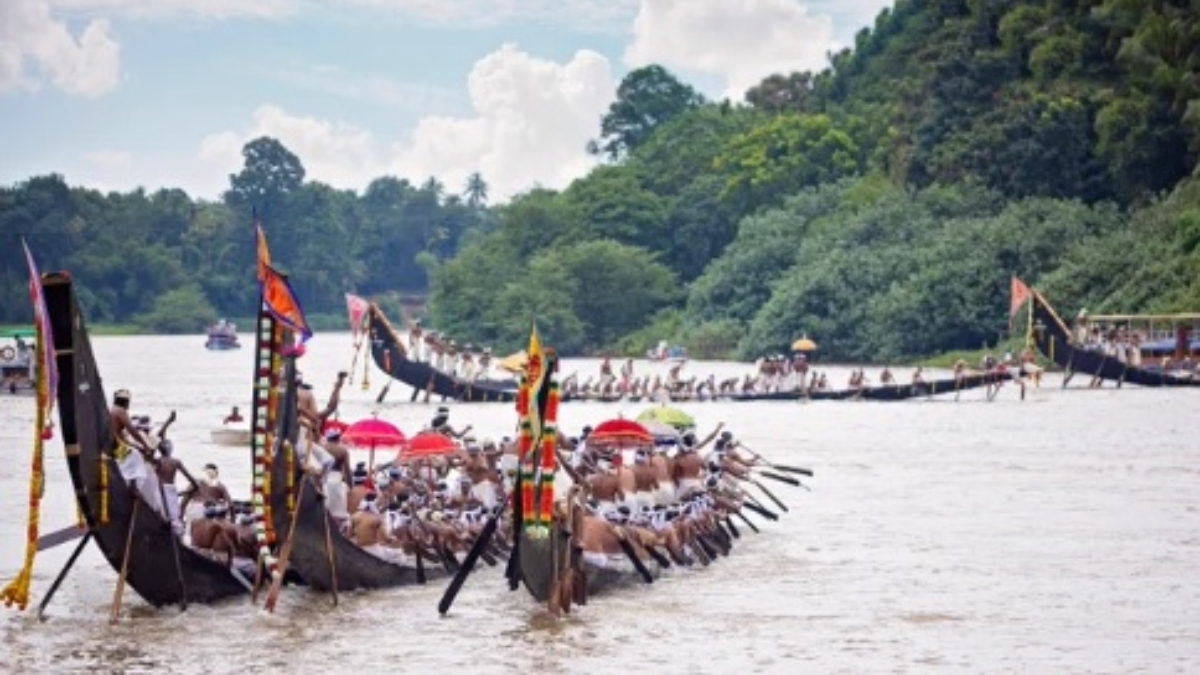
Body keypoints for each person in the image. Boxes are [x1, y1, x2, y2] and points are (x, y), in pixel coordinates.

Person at [109, 388, 164, 516]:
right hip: (117, 447)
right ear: (125, 401)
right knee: (136, 456)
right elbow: (132, 430)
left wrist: (138, 446)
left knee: (135, 452)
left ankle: (129, 483)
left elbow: (123, 436)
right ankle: (134, 487)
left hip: (116, 445)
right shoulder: (120, 411)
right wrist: (144, 446)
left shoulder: (112, 410)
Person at [155, 436, 200, 537]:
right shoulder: (175, 462)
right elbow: (193, 481)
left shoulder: (157, 461)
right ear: (170, 449)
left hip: (159, 490)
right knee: (173, 519)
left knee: (162, 515)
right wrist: (187, 491)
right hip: (170, 490)